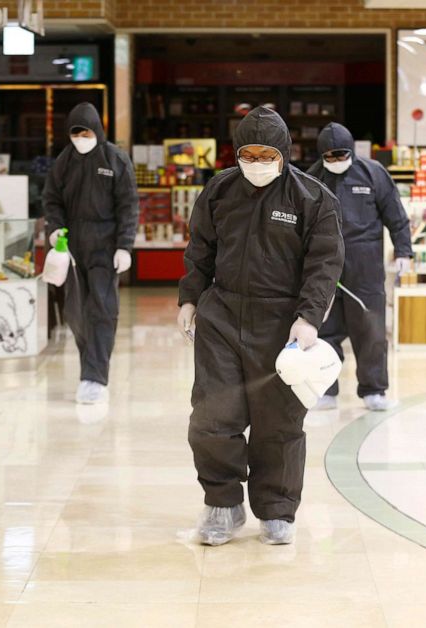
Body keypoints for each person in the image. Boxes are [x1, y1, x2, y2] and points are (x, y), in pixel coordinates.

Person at [177, 106, 344, 546]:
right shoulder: (219, 191)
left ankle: (276, 508)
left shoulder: (313, 198)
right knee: (213, 417)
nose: (256, 164)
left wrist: (309, 318)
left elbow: (324, 263)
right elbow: (200, 249)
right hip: (223, 316)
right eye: (247, 155)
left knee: (279, 422)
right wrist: (190, 298)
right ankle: (223, 504)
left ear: (283, 153)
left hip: (282, 324)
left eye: (265, 155)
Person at [306, 122, 413, 412]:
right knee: (323, 331)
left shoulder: (373, 173)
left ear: (351, 150)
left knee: (371, 331)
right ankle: (325, 391)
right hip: (324, 267)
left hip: (365, 266)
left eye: (342, 155)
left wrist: (404, 250)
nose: (336, 161)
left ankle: (374, 391)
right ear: (321, 156)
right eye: (329, 157)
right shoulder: (311, 179)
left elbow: (396, 215)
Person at [44, 102, 139, 405]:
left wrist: (124, 245)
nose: (80, 138)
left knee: (101, 310)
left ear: (97, 129)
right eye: (75, 133)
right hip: (72, 249)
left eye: (85, 132)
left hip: (105, 246)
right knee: (75, 313)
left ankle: (94, 377)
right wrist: (55, 228)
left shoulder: (115, 159)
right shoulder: (64, 161)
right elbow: (52, 200)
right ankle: (89, 366)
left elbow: (128, 205)